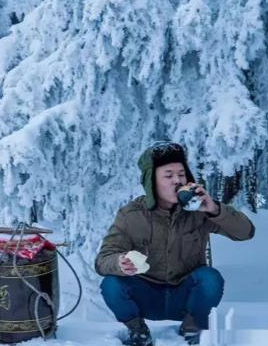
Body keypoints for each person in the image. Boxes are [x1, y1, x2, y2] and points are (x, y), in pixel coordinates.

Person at [95, 141, 255, 345]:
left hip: (185, 297)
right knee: (111, 284)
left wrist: (214, 209)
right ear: (151, 182)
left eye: (181, 174)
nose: (177, 181)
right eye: (168, 175)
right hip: (147, 295)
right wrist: (119, 262)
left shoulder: (200, 211)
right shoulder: (131, 215)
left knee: (210, 278)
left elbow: (245, 233)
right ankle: (138, 332)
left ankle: (192, 329)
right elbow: (103, 260)